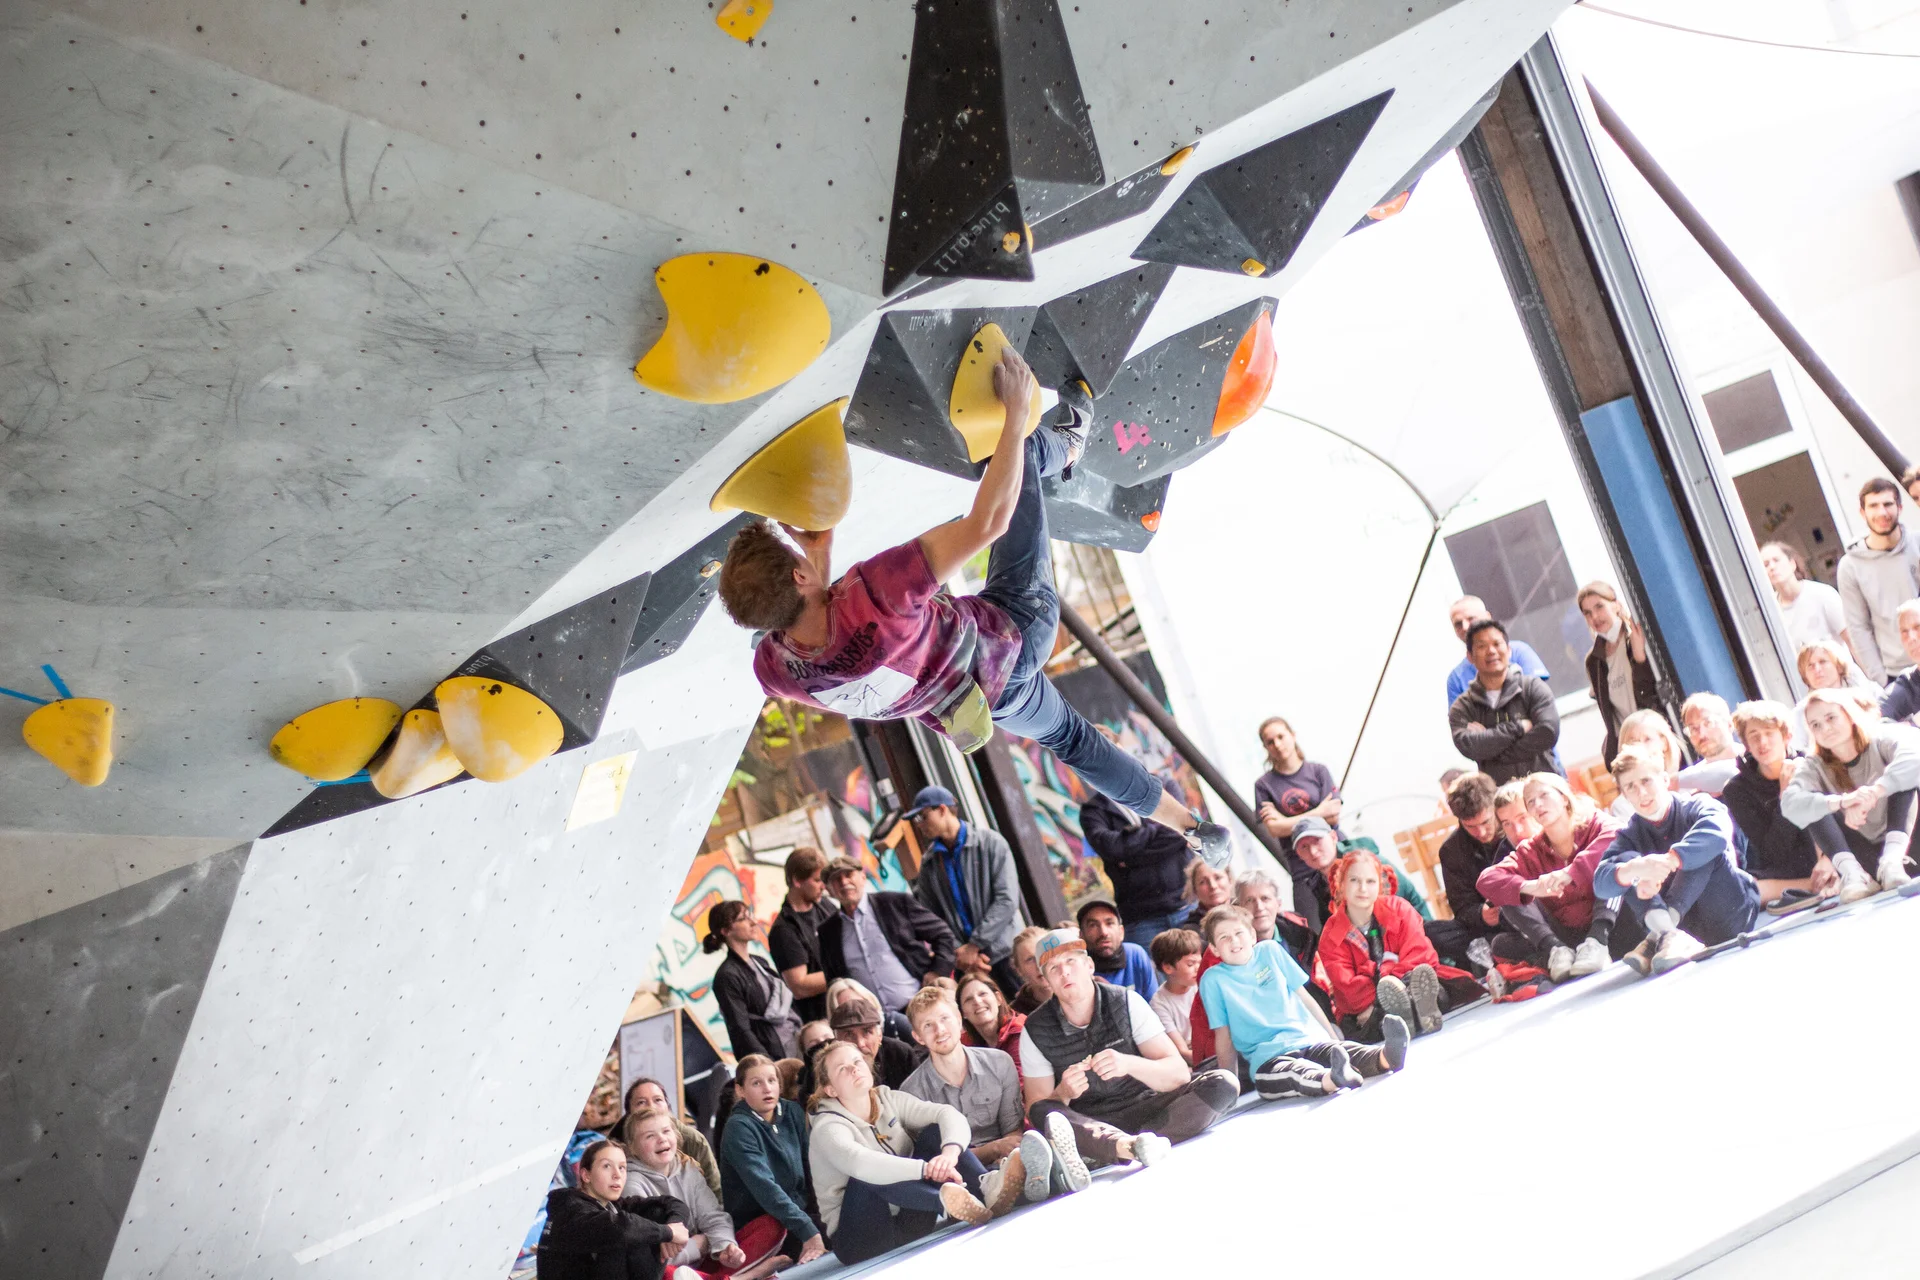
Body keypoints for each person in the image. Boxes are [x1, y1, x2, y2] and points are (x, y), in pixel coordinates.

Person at [721, 346, 1229, 864]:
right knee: (1014, 456)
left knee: (1074, 742)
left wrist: (818, 561)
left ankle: (1193, 830)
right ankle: (1066, 446)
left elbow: (831, 642)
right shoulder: (878, 592)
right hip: (1017, 624)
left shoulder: (778, 672)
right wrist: (1012, 416)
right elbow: (988, 523)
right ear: (799, 575)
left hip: (985, 702)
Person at [1019, 929, 1238, 1174]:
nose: (1064, 973)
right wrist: (1063, 1092)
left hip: (1148, 1104)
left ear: (1089, 965)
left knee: (1223, 1083)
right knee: (1043, 1111)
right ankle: (1122, 1145)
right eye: (1053, 969)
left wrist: (1129, 1064)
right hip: (1092, 1122)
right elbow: (1037, 1108)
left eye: (1071, 961)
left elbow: (1178, 1074)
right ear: (1046, 981)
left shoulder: (1125, 1001)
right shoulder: (1035, 1029)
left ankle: (1116, 1150)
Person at [807, 1039, 1014, 1264]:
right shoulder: (827, 1127)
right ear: (830, 1089)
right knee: (867, 1174)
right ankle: (948, 1202)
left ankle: (989, 1189)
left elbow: (947, 1114)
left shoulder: (888, 1099)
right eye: (842, 1069)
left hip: (911, 1220)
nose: (854, 1068)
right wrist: (926, 1169)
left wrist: (949, 1155)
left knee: (934, 1134)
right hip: (861, 1239)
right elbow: (860, 1163)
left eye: (857, 1061)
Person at [1199, 905, 1409, 1100]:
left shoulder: (1270, 951)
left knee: (1341, 1051)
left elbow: (1304, 997)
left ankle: (1385, 1056)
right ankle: (1332, 1079)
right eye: (1224, 937)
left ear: (1252, 935)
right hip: (1268, 1059)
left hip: (1306, 1038)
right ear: (1215, 949)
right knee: (1292, 1073)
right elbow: (1223, 1035)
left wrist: (1331, 1036)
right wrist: (1229, 1087)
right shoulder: (1213, 980)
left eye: (1238, 933)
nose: (1234, 941)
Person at [1595, 747, 1760, 976]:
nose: (1641, 792)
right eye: (1630, 787)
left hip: (1729, 915)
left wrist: (1669, 861)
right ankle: (1668, 933)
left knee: (1702, 849)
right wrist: (1637, 869)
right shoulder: (1629, 834)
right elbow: (1600, 883)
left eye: (1646, 781)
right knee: (1627, 865)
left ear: (1664, 780)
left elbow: (1717, 834)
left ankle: (1662, 933)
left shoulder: (1697, 805)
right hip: (1684, 932)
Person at [1316, 849, 1480, 1041]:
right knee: (1369, 1020)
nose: (1362, 888)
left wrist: (1386, 978)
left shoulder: (1399, 908)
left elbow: (1421, 955)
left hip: (1408, 982)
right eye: (1354, 880)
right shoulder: (1330, 934)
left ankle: (1412, 1011)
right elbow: (1348, 988)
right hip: (1367, 1005)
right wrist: (1385, 986)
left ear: (1379, 884)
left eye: (1370, 881)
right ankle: (1404, 1014)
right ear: (1341, 885)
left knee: (1425, 984)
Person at [1782, 689, 1920, 901]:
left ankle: (1892, 860)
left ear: (1849, 714)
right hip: (1869, 858)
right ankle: (1853, 874)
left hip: (1910, 846)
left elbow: (1914, 757)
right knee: (1813, 804)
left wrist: (1874, 792)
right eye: (1816, 725)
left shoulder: (1881, 736)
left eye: (1831, 718)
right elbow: (1790, 803)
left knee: (1907, 779)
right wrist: (1843, 801)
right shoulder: (1814, 765)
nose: (1825, 728)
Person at [1477, 773, 1619, 980]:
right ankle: (1556, 950)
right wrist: (1530, 887)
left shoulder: (1594, 823)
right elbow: (1486, 880)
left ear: (1563, 797)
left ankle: (1598, 941)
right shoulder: (1530, 850)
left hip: (1611, 924)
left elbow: (1619, 835)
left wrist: (1570, 872)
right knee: (1510, 896)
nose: (1538, 805)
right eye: (1531, 802)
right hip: (1567, 933)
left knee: (1619, 862)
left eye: (1544, 795)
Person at [624, 1109, 788, 1280]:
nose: (662, 1139)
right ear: (633, 1147)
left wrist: (726, 1246)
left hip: (703, 1264)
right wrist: (697, 1246)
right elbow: (651, 1256)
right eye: (650, 1136)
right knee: (668, 1274)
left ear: (676, 1135)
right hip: (670, 1269)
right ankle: (747, 1276)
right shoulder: (632, 1185)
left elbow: (712, 1216)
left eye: (666, 1131)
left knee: (772, 1224)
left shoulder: (688, 1170)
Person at [899, 988, 1034, 1183]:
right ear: (918, 1037)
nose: (940, 1030)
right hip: (959, 1177)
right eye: (928, 1025)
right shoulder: (911, 1092)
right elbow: (936, 1158)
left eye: (945, 1018)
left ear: (959, 1020)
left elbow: (1012, 1131)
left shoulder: (999, 1063)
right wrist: (993, 1149)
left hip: (1007, 1161)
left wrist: (1004, 1155)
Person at [1720, 699, 1842, 908]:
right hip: (1789, 867)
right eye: (1754, 736)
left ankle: (1833, 873)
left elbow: (1835, 816)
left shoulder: (1811, 762)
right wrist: (1784, 799)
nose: (1763, 743)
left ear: (1787, 736)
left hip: (1830, 851)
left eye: (1769, 733)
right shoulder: (1737, 789)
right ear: (1747, 745)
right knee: (1744, 886)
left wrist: (1828, 858)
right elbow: (1773, 852)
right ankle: (1816, 885)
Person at [901, 786, 1022, 995]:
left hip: (1008, 953)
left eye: (922, 817)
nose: (919, 825)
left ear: (942, 810)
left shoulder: (991, 843)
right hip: (967, 965)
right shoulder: (929, 863)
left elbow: (1007, 900)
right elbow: (932, 917)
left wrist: (974, 946)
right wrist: (962, 952)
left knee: (1028, 1012)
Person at [717, 1055, 825, 1268]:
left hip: (799, 1214)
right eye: (756, 1083)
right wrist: (808, 1230)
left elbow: (812, 1167)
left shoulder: (793, 1112)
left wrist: (824, 1212)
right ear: (740, 1090)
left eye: (771, 1080)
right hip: (766, 1224)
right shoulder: (738, 1128)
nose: (767, 1089)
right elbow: (766, 1189)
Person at [816, 857, 955, 1016]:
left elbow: (943, 934)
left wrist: (937, 972)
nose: (844, 882)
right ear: (829, 889)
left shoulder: (894, 903)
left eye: (849, 874)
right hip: (874, 1021)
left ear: (862, 877)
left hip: (921, 1005)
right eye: (836, 879)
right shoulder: (828, 931)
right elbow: (834, 980)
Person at [538, 1138, 692, 1280]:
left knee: (655, 1214)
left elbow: (672, 1204)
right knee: (625, 1234)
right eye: (606, 1166)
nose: (617, 1175)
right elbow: (620, 1228)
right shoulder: (569, 1210)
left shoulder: (612, 1205)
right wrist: (668, 1233)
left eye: (622, 1167)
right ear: (586, 1175)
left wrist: (673, 1227)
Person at [1080, 778, 1196, 949]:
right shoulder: (1092, 811)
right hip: (1142, 919)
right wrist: (1155, 828)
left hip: (1187, 905)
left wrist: (1130, 857)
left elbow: (1181, 831)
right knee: (1156, 975)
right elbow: (1112, 849)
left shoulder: (1164, 787)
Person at [1252, 715, 1343, 931]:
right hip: (1302, 869)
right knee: (1314, 931)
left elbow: (1333, 815)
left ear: (1292, 736)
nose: (1277, 744)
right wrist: (1318, 811)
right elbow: (1274, 829)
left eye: (1281, 737)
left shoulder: (1318, 771)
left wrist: (1286, 821)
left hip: (1336, 857)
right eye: (1270, 742)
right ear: (1265, 747)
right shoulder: (1264, 785)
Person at [1449, 619, 1560, 785]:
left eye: (1497, 644)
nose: (1491, 651)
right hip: (1502, 797)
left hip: (1546, 787)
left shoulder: (1531, 687)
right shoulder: (1463, 707)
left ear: (1508, 650)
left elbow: (1548, 731)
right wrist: (1519, 728)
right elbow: (1469, 746)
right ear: (1470, 657)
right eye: (1482, 646)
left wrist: (1493, 753)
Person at [1837, 476, 1920, 683]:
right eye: (1873, 506)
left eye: (1888, 504)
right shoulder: (1850, 566)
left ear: (1900, 507)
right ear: (1862, 512)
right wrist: (1881, 680)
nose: (1882, 512)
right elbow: (1858, 628)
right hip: (1898, 675)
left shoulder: (1917, 544)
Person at [705, 901, 802, 1062]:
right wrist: (765, 1063)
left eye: (750, 915)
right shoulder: (726, 976)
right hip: (774, 1054)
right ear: (726, 930)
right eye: (743, 918)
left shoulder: (759, 961)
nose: (754, 922)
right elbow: (740, 1029)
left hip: (793, 1041)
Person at [1579, 580, 1662, 765]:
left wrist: (1640, 657)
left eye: (1599, 607)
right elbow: (1609, 714)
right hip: (1631, 749)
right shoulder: (1593, 661)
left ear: (1616, 605)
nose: (1595, 617)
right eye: (1587, 613)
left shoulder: (1635, 636)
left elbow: (1653, 689)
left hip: (1656, 736)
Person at [1435, 772, 1508, 958]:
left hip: (1529, 908)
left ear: (1494, 806)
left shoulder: (1514, 825)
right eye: (1471, 826)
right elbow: (1461, 906)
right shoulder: (1451, 851)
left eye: (1485, 822)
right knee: (1433, 933)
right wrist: (1481, 914)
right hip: (1489, 926)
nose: (1481, 832)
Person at [767, 846, 834, 1024]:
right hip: (822, 1021)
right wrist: (847, 970)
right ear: (797, 880)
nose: (823, 886)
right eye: (817, 880)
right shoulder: (784, 931)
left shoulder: (826, 906)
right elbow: (799, 985)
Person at [623, 1078, 721, 1197]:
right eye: (641, 1102)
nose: (651, 1107)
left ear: (668, 1107)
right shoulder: (617, 1147)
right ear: (629, 1114)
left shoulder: (693, 1140)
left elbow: (715, 1191)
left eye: (658, 1100)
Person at [1446, 595, 1552, 705]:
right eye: (1458, 624)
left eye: (1471, 618)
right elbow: (1461, 720)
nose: (1465, 627)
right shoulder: (1456, 679)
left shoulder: (1519, 652)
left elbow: (1540, 700)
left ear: (1487, 617)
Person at [1759, 541, 1848, 654]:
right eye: (1766, 564)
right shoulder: (1770, 611)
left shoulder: (1823, 594)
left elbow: (1852, 641)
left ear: (1792, 564)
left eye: (1776, 560)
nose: (1772, 567)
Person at [830, 996, 922, 1090]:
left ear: (879, 1035)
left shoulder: (901, 1054)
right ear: (836, 1041)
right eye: (849, 1034)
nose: (860, 1043)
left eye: (867, 1032)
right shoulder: (826, 1067)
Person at [1077, 898, 1159, 1000]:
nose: (1104, 932)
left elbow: (1154, 1005)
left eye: (1109, 923)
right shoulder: (1078, 970)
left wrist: (1113, 995)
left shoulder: (1135, 954)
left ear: (1121, 932)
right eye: (1093, 925)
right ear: (1081, 936)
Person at [1147, 927, 1204, 1064]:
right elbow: (1182, 1052)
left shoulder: (1203, 986)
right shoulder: (1159, 1003)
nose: (1198, 968)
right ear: (1168, 968)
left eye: (1200, 962)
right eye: (1190, 964)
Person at [1677, 692, 1742, 796]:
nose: (1701, 734)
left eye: (1708, 723)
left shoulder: (1756, 761)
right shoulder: (1686, 788)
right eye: (1693, 729)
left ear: (1729, 724)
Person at [955, 971, 1025, 1065]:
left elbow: (1019, 1079)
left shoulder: (1019, 1032)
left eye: (982, 994)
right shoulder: (963, 1046)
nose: (977, 1001)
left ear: (998, 999)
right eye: (968, 999)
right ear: (962, 1013)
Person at [1878, 601, 1920, 725]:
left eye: (1918, 627)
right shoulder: (1907, 684)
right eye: (1904, 632)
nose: (1911, 638)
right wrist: (1911, 725)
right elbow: (1872, 724)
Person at [1007, 925, 1051, 1015]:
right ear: (1019, 970)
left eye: (1044, 954)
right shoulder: (1014, 1016)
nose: (1040, 964)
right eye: (1030, 959)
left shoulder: (1085, 990)